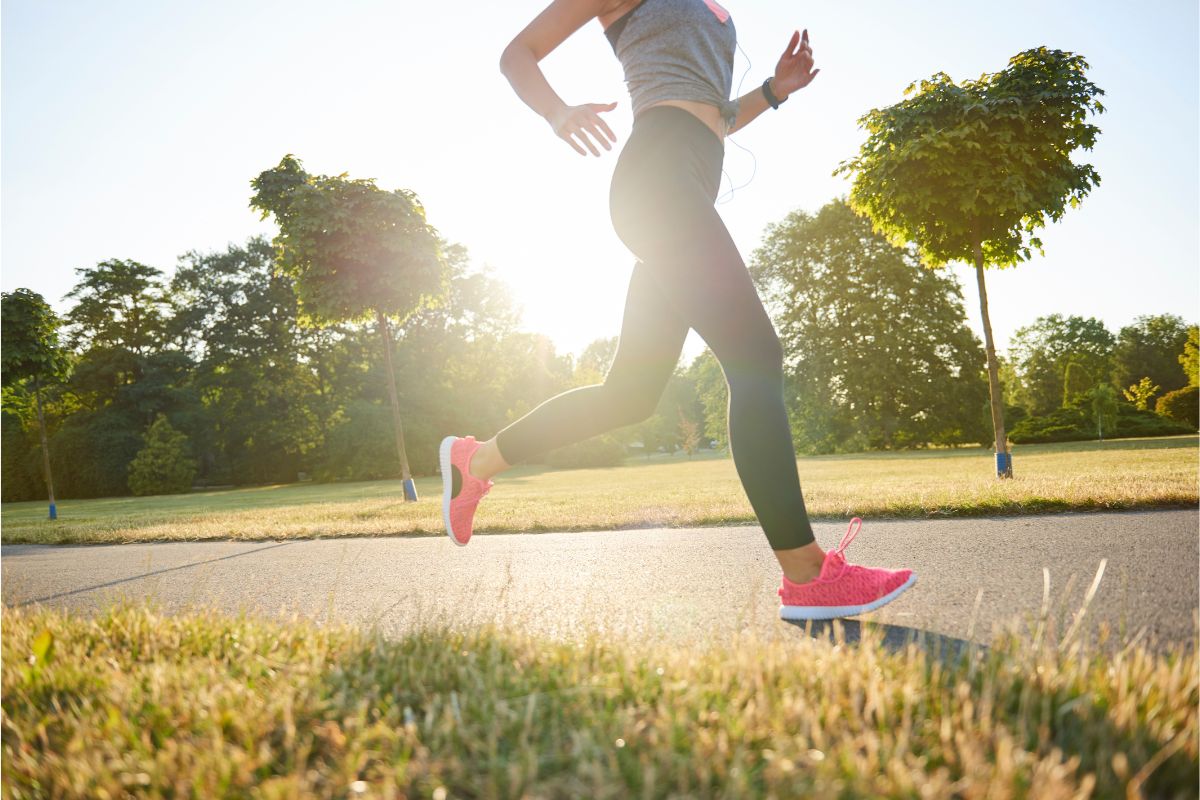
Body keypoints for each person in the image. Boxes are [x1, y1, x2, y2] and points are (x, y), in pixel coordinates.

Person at [439, 0, 915, 621]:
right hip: (657, 184)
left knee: (629, 394)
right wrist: (559, 113)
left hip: (680, 185)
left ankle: (473, 461)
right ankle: (806, 575)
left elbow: (714, 116)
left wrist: (774, 91)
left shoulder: (712, 11)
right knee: (754, 359)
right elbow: (516, 55)